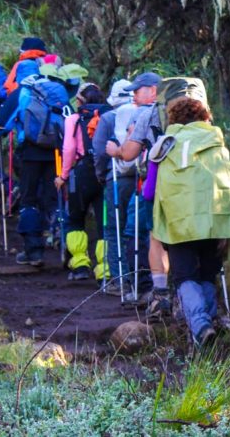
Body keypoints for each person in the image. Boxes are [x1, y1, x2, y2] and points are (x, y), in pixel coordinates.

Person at [149, 97, 230, 346]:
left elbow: (149, 191)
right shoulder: (216, 143)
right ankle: (208, 327)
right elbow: (229, 183)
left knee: (184, 276)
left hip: (179, 221)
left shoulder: (164, 145)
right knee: (207, 273)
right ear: (204, 117)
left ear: (173, 119)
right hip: (215, 219)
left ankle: (201, 326)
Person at [0, 40, 67, 265]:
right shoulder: (56, 89)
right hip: (55, 151)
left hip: (29, 152)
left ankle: (33, 251)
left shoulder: (21, 93)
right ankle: (63, 242)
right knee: (53, 197)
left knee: (29, 199)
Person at [109, 72, 169, 315]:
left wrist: (114, 150)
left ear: (153, 90)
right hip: (191, 185)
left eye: (138, 90)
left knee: (152, 236)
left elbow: (128, 153)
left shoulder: (146, 114)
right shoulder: (194, 114)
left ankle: (156, 292)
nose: (133, 95)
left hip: (155, 183)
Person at [57, 84, 110, 281]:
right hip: (104, 173)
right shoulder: (109, 116)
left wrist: (63, 176)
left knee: (75, 218)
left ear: (80, 100)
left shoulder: (74, 118)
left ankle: (80, 265)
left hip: (81, 173)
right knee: (104, 222)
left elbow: (69, 149)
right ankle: (105, 269)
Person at [92, 79, 136, 293]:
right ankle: (140, 278)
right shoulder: (144, 114)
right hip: (141, 178)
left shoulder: (108, 118)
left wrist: (101, 175)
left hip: (116, 178)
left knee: (113, 229)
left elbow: (100, 152)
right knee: (137, 229)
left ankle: (120, 281)